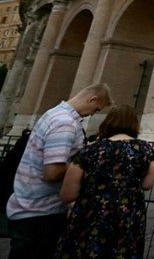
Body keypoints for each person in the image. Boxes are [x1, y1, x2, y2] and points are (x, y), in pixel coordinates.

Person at [6, 82, 111, 259]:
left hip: (28, 206)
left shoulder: (53, 114)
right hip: (41, 213)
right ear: (92, 99)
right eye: (96, 109)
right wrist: (86, 161)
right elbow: (52, 172)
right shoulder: (65, 123)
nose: (94, 114)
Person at [56, 104, 154, 259]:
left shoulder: (89, 151)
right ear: (135, 123)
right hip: (128, 217)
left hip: (90, 215)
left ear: (107, 122)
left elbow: (67, 195)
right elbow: (147, 185)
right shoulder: (146, 150)